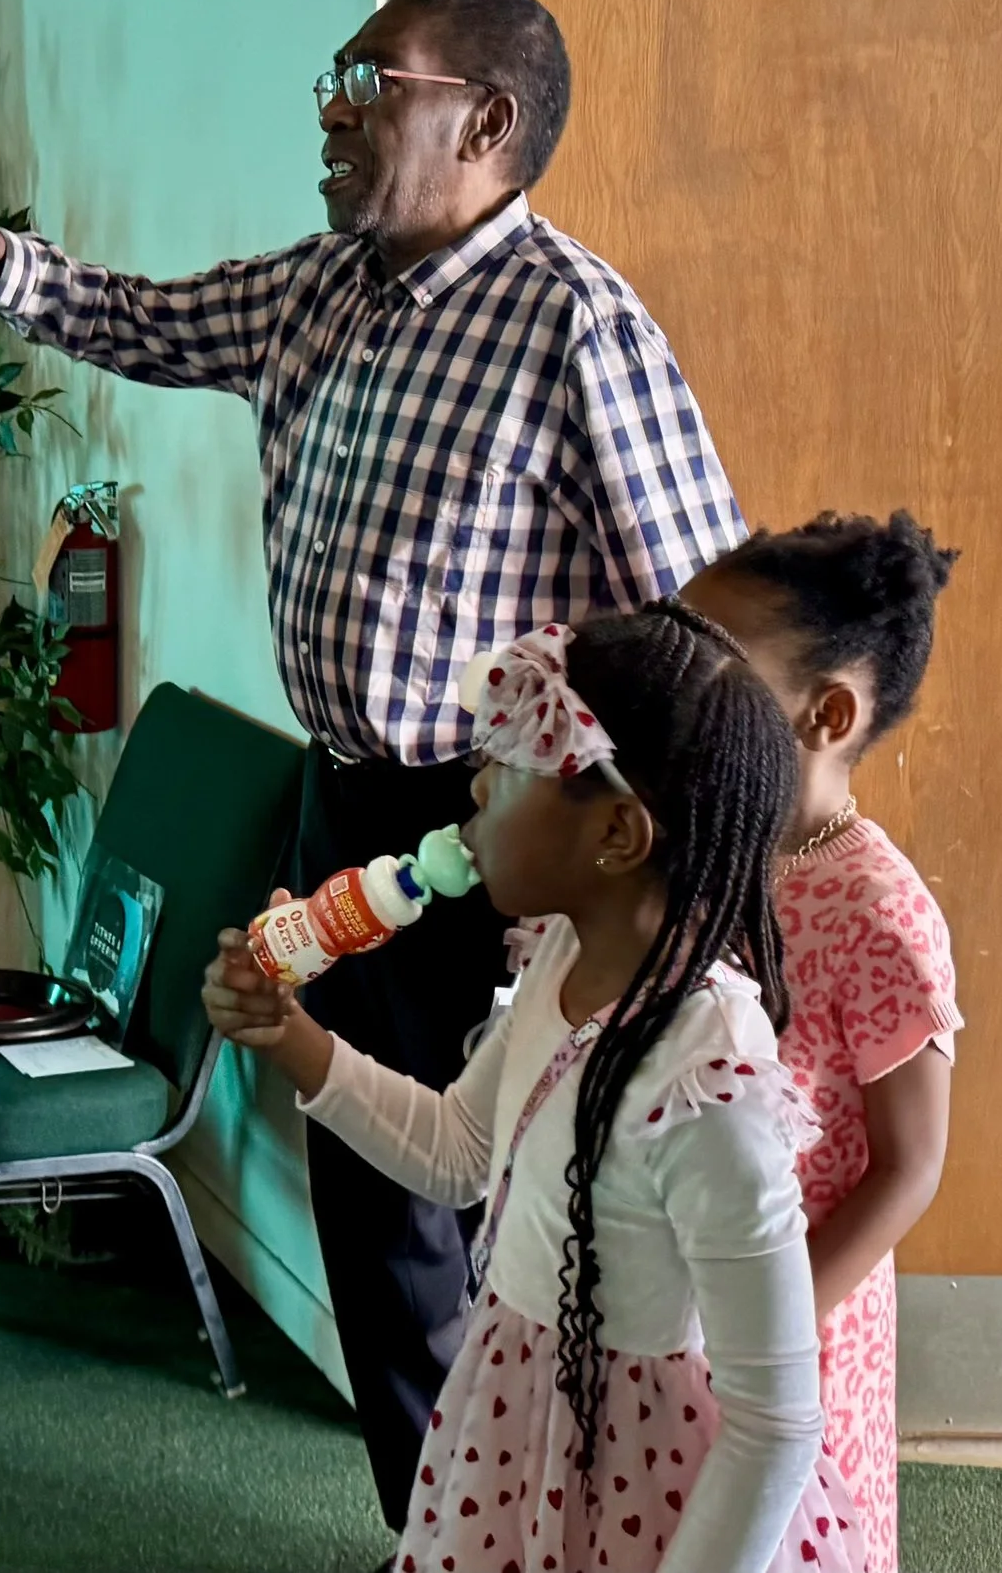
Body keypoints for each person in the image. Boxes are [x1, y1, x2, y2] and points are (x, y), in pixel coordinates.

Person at [0, 0, 746, 1525]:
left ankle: (520, 1535)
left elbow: (699, 637)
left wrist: (639, 873)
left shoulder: (574, 325)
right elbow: (139, 316)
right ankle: (437, 1532)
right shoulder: (321, 284)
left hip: (500, 843)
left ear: (487, 119)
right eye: (333, 73)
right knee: (376, 1219)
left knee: (495, 1229)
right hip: (346, 811)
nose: (333, 105)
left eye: (368, 76)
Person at [205, 603, 862, 1573]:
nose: (474, 782)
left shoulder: (706, 1093)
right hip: (520, 1433)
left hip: (641, 1491)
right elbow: (459, 1153)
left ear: (616, 834)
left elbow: (775, 1424)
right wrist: (292, 1039)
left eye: (508, 764)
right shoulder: (560, 959)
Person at [682, 513, 961, 1573]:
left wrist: (775, 1330)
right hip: (699, 1278)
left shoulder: (879, 912)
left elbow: (910, 1166)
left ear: (826, 713)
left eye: (712, 669)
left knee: (781, 1537)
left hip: (797, 1322)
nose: (677, 685)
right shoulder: (713, 845)